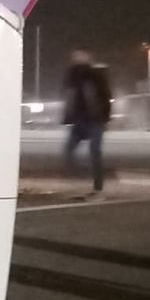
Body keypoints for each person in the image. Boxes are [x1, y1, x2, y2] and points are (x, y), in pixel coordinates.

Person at [61, 47, 112, 195]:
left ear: (88, 56)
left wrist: (105, 118)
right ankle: (81, 175)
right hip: (79, 119)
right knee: (69, 150)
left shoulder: (95, 74)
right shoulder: (72, 74)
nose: (76, 58)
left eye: (80, 55)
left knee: (94, 151)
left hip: (95, 119)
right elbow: (69, 96)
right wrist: (67, 117)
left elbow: (106, 96)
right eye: (75, 56)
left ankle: (98, 186)